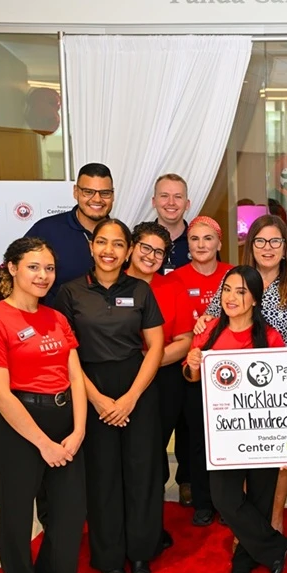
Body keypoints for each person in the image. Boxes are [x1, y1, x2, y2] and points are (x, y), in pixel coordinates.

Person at [0, 237, 86, 573]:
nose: (43, 275)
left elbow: (75, 377)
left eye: (49, 268)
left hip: (64, 423)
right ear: (12, 268)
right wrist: (43, 444)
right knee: (17, 521)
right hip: (20, 430)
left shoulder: (56, 317)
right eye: (34, 267)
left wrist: (78, 432)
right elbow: (0, 394)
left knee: (69, 514)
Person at [54, 219, 165, 573]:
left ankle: (141, 553)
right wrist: (97, 399)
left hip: (137, 388)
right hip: (90, 388)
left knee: (142, 472)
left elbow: (156, 347)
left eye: (118, 244)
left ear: (128, 250)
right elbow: (67, 354)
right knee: (102, 477)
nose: (109, 251)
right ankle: (110, 558)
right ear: (91, 246)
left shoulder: (140, 290)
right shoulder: (70, 293)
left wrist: (131, 397)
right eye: (102, 242)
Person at [195, 215, 287, 531]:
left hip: (282, 388)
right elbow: (212, 318)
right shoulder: (237, 280)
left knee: (280, 460)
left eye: (275, 241)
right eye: (260, 241)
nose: (267, 247)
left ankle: (274, 521)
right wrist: (202, 323)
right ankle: (249, 527)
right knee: (246, 457)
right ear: (251, 246)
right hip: (238, 391)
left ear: (286, 248)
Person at [185, 265, 287, 573]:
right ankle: (275, 547)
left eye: (241, 292)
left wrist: (286, 440)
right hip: (222, 432)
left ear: (255, 299)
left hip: (262, 430)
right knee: (224, 498)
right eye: (227, 290)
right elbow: (190, 377)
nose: (231, 297)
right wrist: (193, 364)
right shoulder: (210, 330)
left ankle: (246, 556)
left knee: (260, 497)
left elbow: (283, 390)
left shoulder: (270, 337)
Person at [125, 222, 193, 548]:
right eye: (145, 248)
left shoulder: (173, 286)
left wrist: (147, 361)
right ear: (131, 247)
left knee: (153, 454)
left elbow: (184, 341)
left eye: (159, 252)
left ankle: (149, 524)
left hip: (163, 380)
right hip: (116, 380)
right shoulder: (110, 284)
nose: (151, 256)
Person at [167, 216, 234, 516]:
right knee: (191, 432)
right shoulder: (174, 279)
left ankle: (226, 494)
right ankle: (194, 489)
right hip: (189, 365)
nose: (201, 245)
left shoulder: (232, 274)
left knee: (224, 433)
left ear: (219, 243)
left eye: (208, 238)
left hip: (227, 368)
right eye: (195, 239)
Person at [25, 162, 115, 303]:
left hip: (108, 316)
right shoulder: (47, 230)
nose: (97, 199)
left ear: (113, 195)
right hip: (55, 316)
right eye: (88, 192)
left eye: (105, 193)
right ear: (75, 192)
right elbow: (17, 276)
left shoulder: (120, 236)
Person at [151, 173, 192, 275]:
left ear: (187, 204)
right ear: (154, 202)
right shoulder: (139, 241)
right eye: (164, 196)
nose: (171, 202)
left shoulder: (200, 242)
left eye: (178, 197)